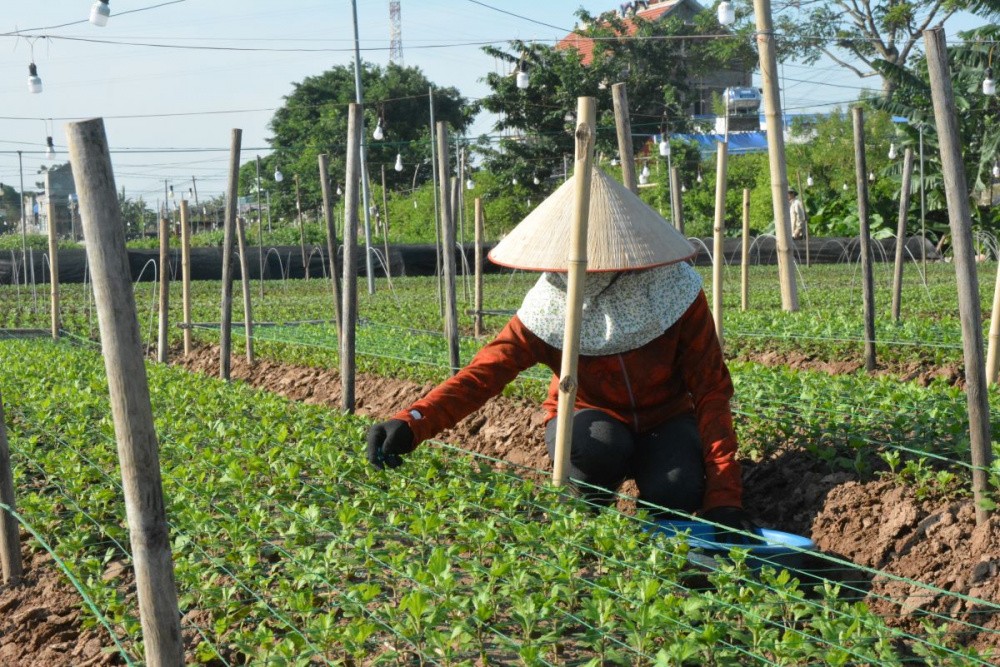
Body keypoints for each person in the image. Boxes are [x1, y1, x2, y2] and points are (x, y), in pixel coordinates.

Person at [366, 169, 753, 534]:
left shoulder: (675, 291)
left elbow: (711, 391)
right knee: (595, 448)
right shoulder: (551, 306)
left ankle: (661, 538)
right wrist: (413, 421)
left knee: (677, 489)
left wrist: (725, 498)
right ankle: (588, 519)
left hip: (666, 419)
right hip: (591, 417)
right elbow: (484, 375)